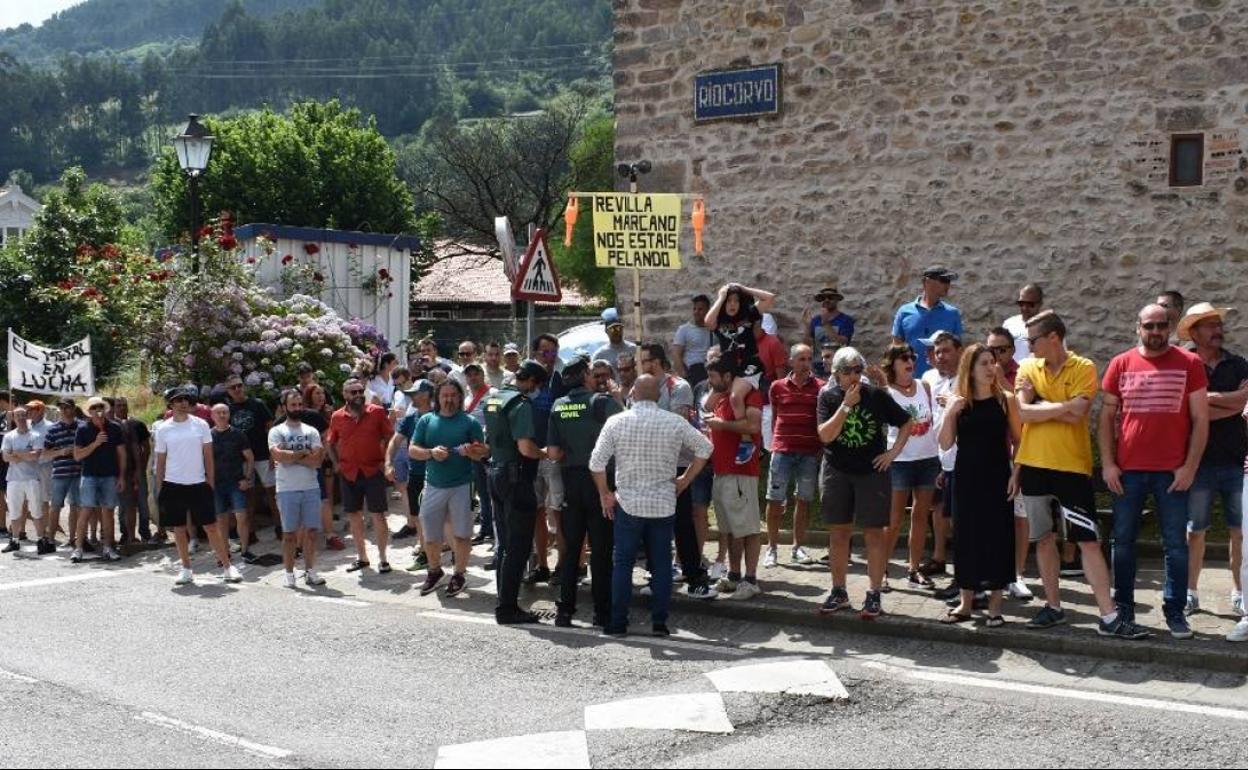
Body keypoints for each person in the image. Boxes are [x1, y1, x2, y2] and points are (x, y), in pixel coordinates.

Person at [1013, 311, 1150, 638]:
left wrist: (1044, 405)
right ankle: (1054, 606)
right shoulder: (1028, 367)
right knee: (1043, 539)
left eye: (1033, 340)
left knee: (1088, 541)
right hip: (1032, 463)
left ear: (1054, 338)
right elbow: (1021, 412)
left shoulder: (1084, 367)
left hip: (1071, 468)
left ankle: (1109, 616)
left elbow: (1078, 415)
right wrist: (1062, 405)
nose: (1028, 346)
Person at [1099, 304, 1209, 639]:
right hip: (1128, 472)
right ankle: (1125, 611)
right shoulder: (1120, 363)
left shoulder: (1190, 364)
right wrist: (1108, 464)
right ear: (1138, 328)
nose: (1156, 331)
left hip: (1172, 473)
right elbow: (1105, 419)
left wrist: (1190, 467)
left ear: (1171, 328)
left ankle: (1175, 612)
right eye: (1150, 325)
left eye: (1162, 325)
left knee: (1176, 545)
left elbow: (1201, 420)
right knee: (1123, 543)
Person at [590, 374, 713, 637]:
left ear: (632, 392)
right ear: (658, 395)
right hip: (663, 504)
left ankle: (618, 622)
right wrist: (685, 479)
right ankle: (659, 622)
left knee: (622, 563)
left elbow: (596, 462)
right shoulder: (674, 422)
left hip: (629, 503)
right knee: (661, 564)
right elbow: (705, 448)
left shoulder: (616, 422)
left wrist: (604, 493)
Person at [816, 347, 913, 619]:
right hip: (838, 470)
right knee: (839, 533)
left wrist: (892, 454)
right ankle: (839, 591)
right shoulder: (829, 396)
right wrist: (846, 405)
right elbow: (825, 436)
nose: (853, 376)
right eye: (847, 372)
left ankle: (873, 594)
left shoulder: (876, 396)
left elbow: (906, 423)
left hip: (871, 471)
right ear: (836, 374)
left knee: (873, 533)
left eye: (857, 370)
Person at [938, 344, 1022, 626]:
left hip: (998, 475)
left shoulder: (1005, 399)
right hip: (966, 475)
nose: (991, 368)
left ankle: (996, 607)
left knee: (998, 537)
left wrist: (1016, 472)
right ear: (970, 369)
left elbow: (1020, 440)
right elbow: (945, 443)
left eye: (992, 362)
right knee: (966, 536)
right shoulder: (959, 401)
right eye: (984, 363)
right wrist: (950, 411)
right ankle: (965, 603)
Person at [1176, 303, 1248, 616]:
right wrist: (1228, 401)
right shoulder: (1183, 364)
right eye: (1210, 325)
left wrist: (1206, 401)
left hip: (1236, 459)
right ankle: (1190, 592)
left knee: (1240, 531)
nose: (1218, 330)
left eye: (1219, 324)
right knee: (1195, 530)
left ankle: (1241, 591)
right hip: (1198, 461)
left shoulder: (1238, 363)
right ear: (1194, 332)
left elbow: (1245, 401)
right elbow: (1185, 406)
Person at [637, 343, 717, 599]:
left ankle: (694, 576)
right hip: (649, 463)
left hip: (675, 464)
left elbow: (677, 425)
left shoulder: (677, 387)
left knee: (682, 523)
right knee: (652, 523)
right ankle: (656, 574)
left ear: (658, 362)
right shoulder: (638, 388)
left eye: (646, 360)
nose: (643, 365)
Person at [549, 356, 624, 626]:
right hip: (600, 482)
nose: (597, 378)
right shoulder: (602, 402)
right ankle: (601, 613)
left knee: (571, 550)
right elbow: (627, 429)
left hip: (571, 481)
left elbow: (554, 452)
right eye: (592, 373)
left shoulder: (558, 406)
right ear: (584, 377)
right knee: (601, 550)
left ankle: (564, 610)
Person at [484, 360, 550, 624]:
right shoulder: (520, 404)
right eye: (538, 385)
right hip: (516, 478)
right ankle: (508, 608)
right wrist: (545, 453)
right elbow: (525, 448)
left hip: (496, 473)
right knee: (518, 546)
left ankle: (504, 600)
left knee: (504, 544)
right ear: (532, 381)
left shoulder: (494, 399)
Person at [411, 380, 488, 597]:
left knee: (462, 534)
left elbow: (482, 452)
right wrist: (431, 453)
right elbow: (412, 450)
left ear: (460, 397)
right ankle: (434, 571)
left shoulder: (470, 422)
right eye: (445, 395)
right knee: (431, 535)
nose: (449, 399)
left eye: (453, 395)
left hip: (461, 485)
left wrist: (470, 451)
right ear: (437, 397)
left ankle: (459, 574)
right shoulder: (427, 420)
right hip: (433, 484)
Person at [156, 388, 241, 586]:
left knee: (211, 526)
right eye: (179, 400)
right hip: (173, 483)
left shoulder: (201, 424)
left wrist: (209, 481)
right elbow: (160, 460)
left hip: (199, 483)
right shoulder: (163, 429)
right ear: (171, 404)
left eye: (186, 399)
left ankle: (228, 566)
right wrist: (160, 486)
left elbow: (208, 456)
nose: (184, 403)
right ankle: (186, 569)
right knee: (179, 528)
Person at [873, 344, 941, 589]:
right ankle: (881, 570)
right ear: (892, 363)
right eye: (904, 358)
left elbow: (931, 420)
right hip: (900, 462)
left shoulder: (924, 386)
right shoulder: (886, 392)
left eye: (911, 357)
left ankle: (914, 569)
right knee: (892, 520)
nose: (910, 361)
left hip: (927, 459)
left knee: (921, 515)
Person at [704, 358, 766, 600]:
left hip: (741, 471)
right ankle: (734, 575)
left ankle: (750, 580)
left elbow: (752, 425)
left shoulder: (750, 394)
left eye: (713, 377)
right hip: (722, 471)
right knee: (729, 529)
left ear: (728, 376)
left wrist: (722, 425)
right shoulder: (723, 396)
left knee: (747, 528)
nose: (710, 382)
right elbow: (708, 406)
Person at [328, 377, 396, 574]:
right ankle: (362, 557)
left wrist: (385, 459)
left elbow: (389, 436)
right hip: (349, 473)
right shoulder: (337, 417)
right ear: (345, 395)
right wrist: (336, 464)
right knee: (354, 516)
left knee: (378, 515)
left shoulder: (377, 412)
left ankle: (383, 558)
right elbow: (331, 442)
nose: (358, 395)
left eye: (360, 391)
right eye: (353, 392)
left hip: (373, 470)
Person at [763, 344, 823, 568]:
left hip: (809, 453)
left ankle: (798, 547)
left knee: (804, 499)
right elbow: (776, 416)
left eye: (809, 359)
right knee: (775, 499)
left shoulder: (820, 387)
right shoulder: (777, 387)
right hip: (782, 451)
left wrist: (819, 448)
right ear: (791, 361)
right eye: (801, 359)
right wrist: (776, 443)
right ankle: (772, 547)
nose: (806, 363)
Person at [704, 282, 777, 464]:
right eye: (729, 301)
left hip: (749, 365)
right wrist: (721, 296)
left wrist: (744, 289)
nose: (732, 304)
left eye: (736, 301)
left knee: (736, 397)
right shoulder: (719, 319)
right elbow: (708, 322)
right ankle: (709, 433)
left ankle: (747, 441)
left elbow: (769, 298)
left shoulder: (749, 314)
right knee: (709, 402)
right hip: (729, 367)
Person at [986, 327, 1032, 600]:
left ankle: (1018, 574)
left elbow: (1024, 416)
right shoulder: (980, 374)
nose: (995, 355)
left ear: (1012, 350)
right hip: (991, 455)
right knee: (992, 518)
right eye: (991, 350)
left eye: (1001, 349)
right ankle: (995, 573)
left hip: (1018, 454)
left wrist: (1002, 382)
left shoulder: (1023, 373)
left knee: (1019, 516)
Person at [269, 389, 327, 588]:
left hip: (311, 487)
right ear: (285, 407)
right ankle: (289, 573)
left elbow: (317, 461)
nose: (297, 408)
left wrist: (291, 455)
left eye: (300, 404)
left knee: (311, 532)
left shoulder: (311, 431)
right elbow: (277, 456)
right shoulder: (277, 431)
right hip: (287, 489)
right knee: (289, 534)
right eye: (293, 405)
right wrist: (304, 453)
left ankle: (310, 571)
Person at [919, 331, 963, 581]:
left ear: (959, 350)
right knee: (937, 507)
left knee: (959, 514)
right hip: (935, 452)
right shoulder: (930, 378)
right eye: (937, 352)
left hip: (961, 455)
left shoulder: (966, 379)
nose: (941, 357)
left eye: (946, 351)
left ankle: (962, 569)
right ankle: (938, 557)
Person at [526, 333, 567, 585]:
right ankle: (541, 564)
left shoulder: (560, 380)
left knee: (558, 513)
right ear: (534, 353)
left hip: (554, 456)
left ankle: (562, 566)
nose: (549, 357)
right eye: (544, 352)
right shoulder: (526, 380)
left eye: (553, 352)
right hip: (531, 455)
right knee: (536, 512)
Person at [71, 396, 125, 563]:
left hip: (109, 476)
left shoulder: (115, 428)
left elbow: (122, 454)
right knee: (86, 511)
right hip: (89, 476)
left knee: (108, 512)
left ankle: (108, 548)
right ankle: (78, 548)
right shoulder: (83, 429)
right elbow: (77, 456)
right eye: (94, 407)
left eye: (100, 406)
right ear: (90, 411)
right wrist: (95, 443)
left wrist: (121, 476)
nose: (98, 409)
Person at [225, 374, 278, 538]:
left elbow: (271, 428)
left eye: (239, 385)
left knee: (273, 492)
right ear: (228, 391)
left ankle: (280, 527)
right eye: (233, 387)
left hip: (262, 454)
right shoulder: (228, 410)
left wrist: (272, 452)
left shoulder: (258, 404)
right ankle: (250, 532)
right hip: (242, 459)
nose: (237, 389)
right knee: (248, 495)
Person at [389, 380, 434, 570]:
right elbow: (395, 441)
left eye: (414, 393)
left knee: (436, 517)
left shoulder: (439, 417)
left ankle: (432, 552)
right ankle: (425, 550)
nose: (411, 397)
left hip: (436, 475)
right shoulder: (410, 418)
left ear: (426, 395)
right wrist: (387, 462)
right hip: (415, 473)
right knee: (417, 515)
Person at [892, 265, 964, 377]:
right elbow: (896, 349)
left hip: (943, 381)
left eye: (949, 281)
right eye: (944, 280)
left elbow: (958, 350)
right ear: (927, 281)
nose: (948, 285)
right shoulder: (904, 312)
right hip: (911, 381)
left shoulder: (952, 314)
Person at [302, 383, 345, 552]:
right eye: (316, 393)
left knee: (326, 493)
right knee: (320, 494)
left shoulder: (327, 412)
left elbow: (332, 434)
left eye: (322, 393)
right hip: (314, 457)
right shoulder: (306, 414)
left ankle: (328, 526)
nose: (320, 396)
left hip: (326, 455)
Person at [210, 403, 255, 563]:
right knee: (221, 520)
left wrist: (247, 478)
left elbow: (250, 458)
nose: (222, 415)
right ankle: (225, 554)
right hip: (216, 484)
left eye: (225, 412)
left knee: (241, 516)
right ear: (212, 416)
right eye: (218, 413)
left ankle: (245, 550)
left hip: (236, 482)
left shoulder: (238, 434)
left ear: (229, 415)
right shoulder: (208, 436)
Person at [42, 399, 82, 554]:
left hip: (79, 472)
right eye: (62, 407)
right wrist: (61, 452)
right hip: (60, 473)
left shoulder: (82, 426)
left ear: (73, 408)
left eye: (67, 407)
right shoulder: (53, 429)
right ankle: (50, 540)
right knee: (55, 507)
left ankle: (74, 539)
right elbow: (45, 453)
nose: (64, 410)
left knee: (77, 507)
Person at [2, 407, 44, 555]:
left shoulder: (36, 435)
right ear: (13, 417)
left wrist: (17, 454)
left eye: (23, 415)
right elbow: (6, 457)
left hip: (32, 478)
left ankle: (40, 540)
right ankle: (15, 540)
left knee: (36, 510)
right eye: (17, 415)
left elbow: (36, 456)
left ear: (27, 417)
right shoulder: (9, 437)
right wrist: (26, 454)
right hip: (14, 479)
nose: (20, 417)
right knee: (14, 511)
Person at [462, 363, 496, 546]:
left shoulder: (492, 394)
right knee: (482, 492)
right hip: (473, 453)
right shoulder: (467, 399)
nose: (473, 377)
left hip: (489, 452)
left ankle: (493, 529)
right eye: (469, 375)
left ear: (482, 375)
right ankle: (485, 529)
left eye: (476, 374)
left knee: (492, 492)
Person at [114, 397, 153, 545]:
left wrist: (141, 467)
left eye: (124, 405)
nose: (122, 408)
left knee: (143, 502)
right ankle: (126, 534)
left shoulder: (138, 424)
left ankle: (145, 533)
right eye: (118, 405)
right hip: (120, 471)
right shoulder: (112, 425)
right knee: (123, 504)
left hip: (138, 468)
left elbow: (146, 447)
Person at [671, 294, 714, 387]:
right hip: (693, 372)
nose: (696, 312)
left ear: (708, 311)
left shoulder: (713, 330)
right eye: (694, 309)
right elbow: (676, 354)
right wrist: (684, 377)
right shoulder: (684, 330)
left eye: (700, 309)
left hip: (709, 370)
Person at [803, 285, 855, 350]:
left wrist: (826, 324)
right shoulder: (815, 320)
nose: (826, 300)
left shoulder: (846, 320)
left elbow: (843, 344)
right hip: (818, 359)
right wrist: (807, 326)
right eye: (823, 298)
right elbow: (806, 346)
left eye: (830, 297)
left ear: (837, 299)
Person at [1002, 284, 1044, 362]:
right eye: (1021, 303)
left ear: (1040, 304)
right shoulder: (1008, 325)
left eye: (1030, 304)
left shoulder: (1050, 326)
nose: (1025, 308)